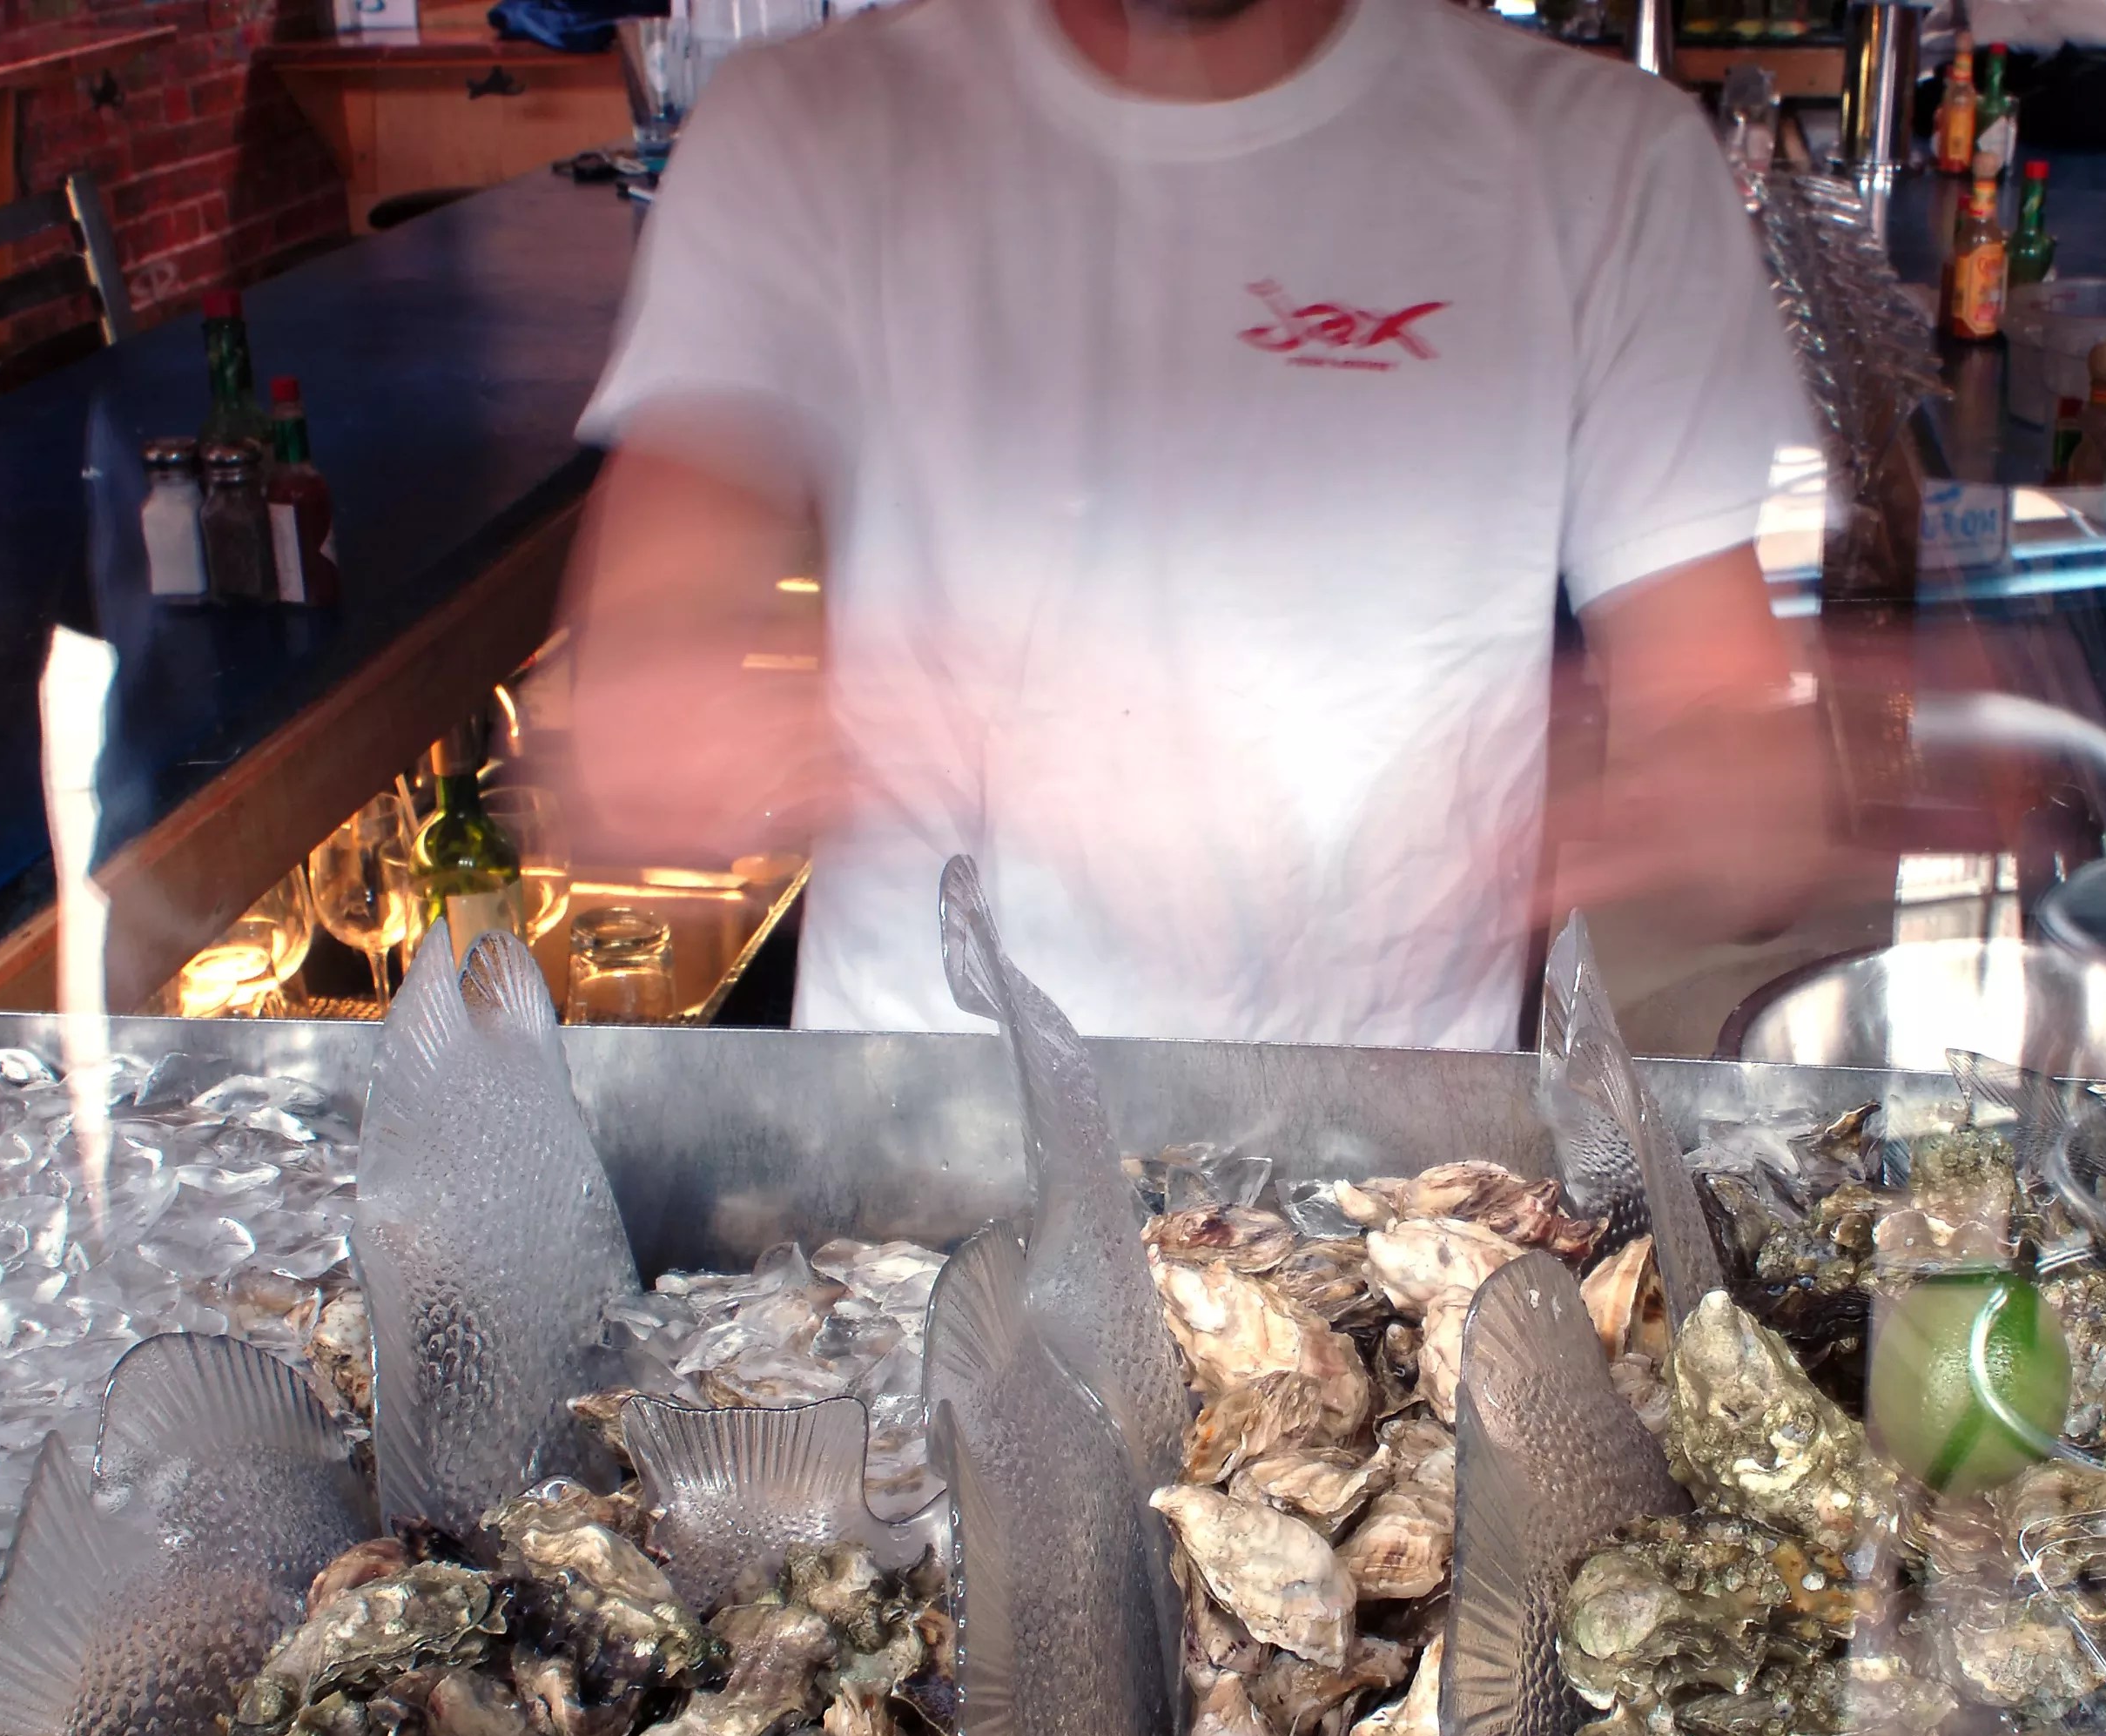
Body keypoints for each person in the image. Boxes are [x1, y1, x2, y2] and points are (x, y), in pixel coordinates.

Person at [563, 0, 1827, 1046]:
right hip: (930, 1170)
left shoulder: (1600, 161)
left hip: (1385, 1188)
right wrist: (721, 726)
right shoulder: (811, 126)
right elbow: (643, 701)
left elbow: (1749, 808)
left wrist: (1718, 791)